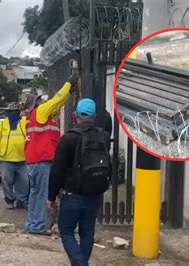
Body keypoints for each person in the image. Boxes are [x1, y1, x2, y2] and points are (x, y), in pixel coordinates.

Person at [48, 98, 111, 266]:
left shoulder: (68, 138)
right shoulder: (103, 136)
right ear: (95, 116)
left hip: (72, 195)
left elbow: (57, 171)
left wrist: (51, 197)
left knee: (67, 232)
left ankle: (80, 264)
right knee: (88, 232)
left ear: (75, 114)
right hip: (94, 194)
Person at [23, 74, 78, 235]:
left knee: (35, 194)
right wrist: (68, 83)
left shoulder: (37, 117)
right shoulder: (40, 112)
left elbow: (57, 104)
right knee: (41, 195)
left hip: (34, 161)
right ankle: (38, 225)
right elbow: (55, 101)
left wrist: (68, 94)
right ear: (36, 104)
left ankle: (32, 224)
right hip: (41, 161)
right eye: (41, 100)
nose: (44, 102)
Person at [0, 102, 28, 210]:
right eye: (10, 112)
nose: (13, 114)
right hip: (6, 158)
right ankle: (10, 200)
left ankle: (21, 201)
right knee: (7, 181)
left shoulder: (24, 122)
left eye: (15, 111)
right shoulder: (2, 124)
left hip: (23, 158)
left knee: (24, 181)